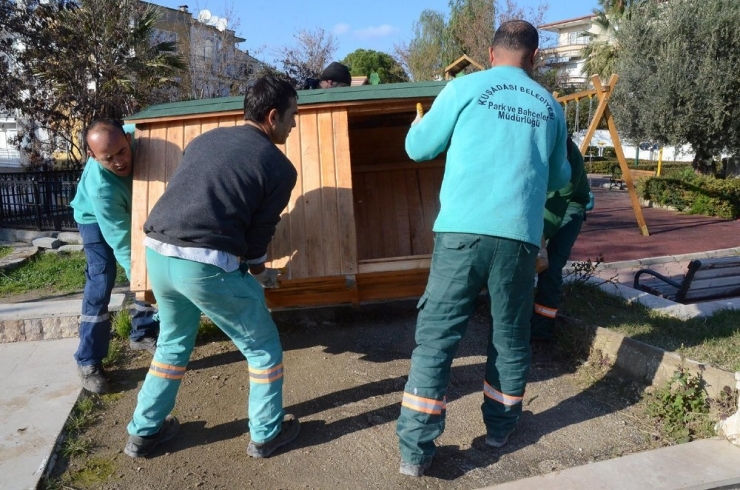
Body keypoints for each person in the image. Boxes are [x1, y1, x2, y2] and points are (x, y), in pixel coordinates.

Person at [395, 20, 570, 477]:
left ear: (492, 54)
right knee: (510, 336)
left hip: (460, 234)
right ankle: (500, 428)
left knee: (436, 340)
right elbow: (559, 180)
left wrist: (418, 124)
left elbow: (418, 149)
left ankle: (416, 450)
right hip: (518, 239)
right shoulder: (552, 106)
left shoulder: (463, 89)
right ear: (533, 59)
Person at [124, 75, 301, 459]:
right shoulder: (279, 168)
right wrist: (259, 273)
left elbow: (194, 196)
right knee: (263, 348)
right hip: (203, 264)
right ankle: (267, 434)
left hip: (158, 252)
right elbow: (258, 237)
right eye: (292, 116)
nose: (293, 124)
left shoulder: (204, 140)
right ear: (272, 116)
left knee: (172, 343)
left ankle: (143, 431)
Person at [70, 119, 160, 395]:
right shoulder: (102, 188)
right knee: (101, 279)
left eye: (122, 151)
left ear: (127, 138)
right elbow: (122, 243)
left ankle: (142, 333)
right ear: (93, 156)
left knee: (152, 259)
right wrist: (141, 278)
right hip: (93, 218)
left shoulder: (142, 137)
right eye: (108, 158)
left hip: (134, 207)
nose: (120, 161)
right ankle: (88, 361)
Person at [531, 136, 591, 349]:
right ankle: (522, 320)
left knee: (551, 265)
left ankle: (541, 332)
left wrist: (536, 241)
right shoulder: (537, 145)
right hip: (542, 196)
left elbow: (553, 216)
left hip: (570, 205)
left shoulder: (569, 163)